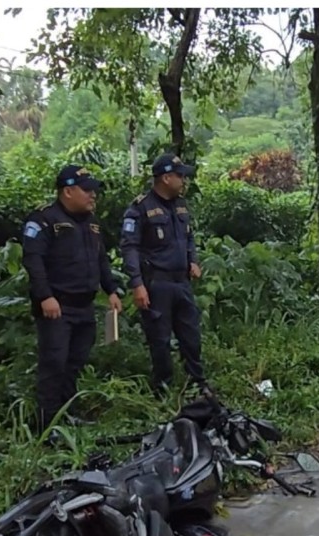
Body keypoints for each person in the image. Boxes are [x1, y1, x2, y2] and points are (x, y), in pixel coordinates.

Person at [21, 165, 122, 434]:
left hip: (84, 306)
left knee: (75, 362)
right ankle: (47, 424)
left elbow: (101, 260)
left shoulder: (92, 223)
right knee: (54, 363)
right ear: (67, 191)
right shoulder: (44, 220)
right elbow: (34, 261)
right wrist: (45, 296)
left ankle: (67, 414)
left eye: (94, 190)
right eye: (87, 190)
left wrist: (111, 290)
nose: (93, 196)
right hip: (57, 306)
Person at [120, 154, 207, 396]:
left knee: (191, 335)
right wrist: (137, 284)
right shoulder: (141, 208)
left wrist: (194, 260)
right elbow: (129, 247)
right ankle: (164, 389)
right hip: (156, 283)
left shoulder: (181, 204)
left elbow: (188, 236)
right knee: (160, 340)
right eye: (180, 175)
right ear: (166, 177)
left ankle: (197, 384)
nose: (184, 180)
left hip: (182, 282)